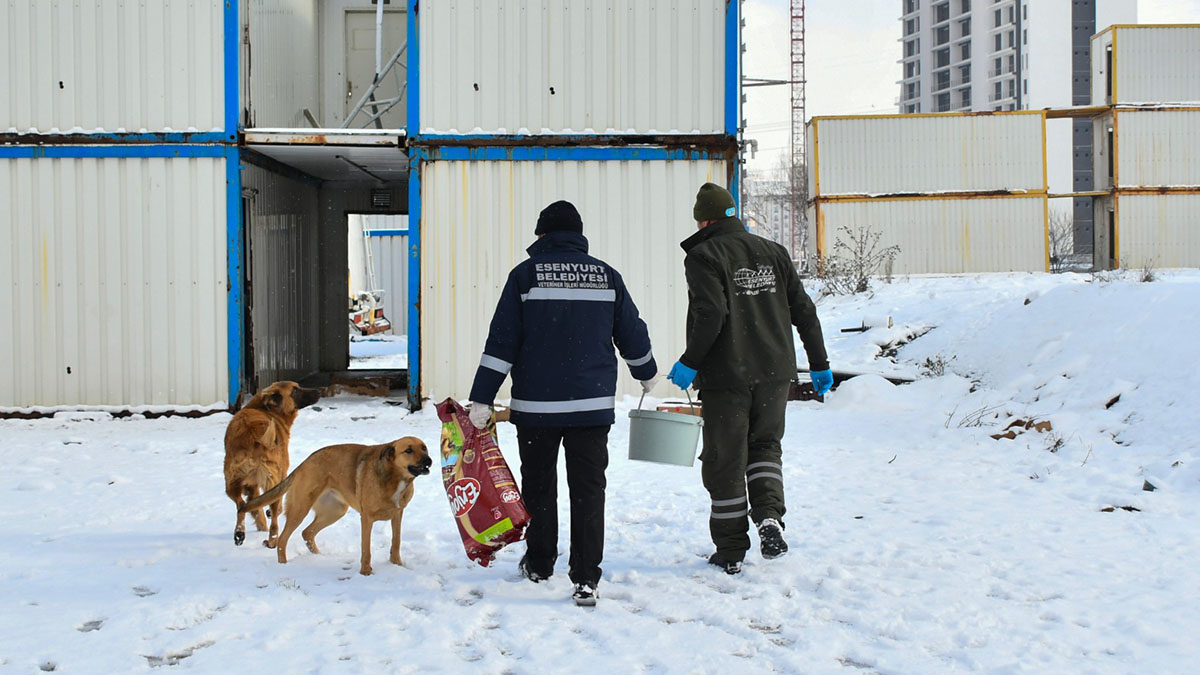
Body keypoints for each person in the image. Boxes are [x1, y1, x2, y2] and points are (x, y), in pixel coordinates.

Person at [467, 200, 659, 606]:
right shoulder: (606, 276)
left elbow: (502, 342)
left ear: (542, 235)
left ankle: (539, 562)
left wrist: (482, 398)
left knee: (539, 486)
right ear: (578, 235)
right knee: (589, 490)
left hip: (537, 409)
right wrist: (647, 373)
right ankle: (586, 576)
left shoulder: (524, 276)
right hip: (591, 408)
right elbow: (632, 334)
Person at [666, 183, 832, 575]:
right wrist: (819, 361)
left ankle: (731, 548)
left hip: (727, 375)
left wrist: (690, 360)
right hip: (775, 374)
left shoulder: (704, 255)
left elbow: (712, 314)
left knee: (725, 459)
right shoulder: (773, 252)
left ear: (703, 219)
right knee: (764, 447)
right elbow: (804, 311)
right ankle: (770, 516)